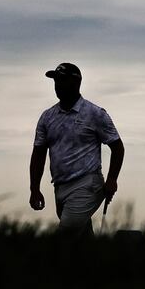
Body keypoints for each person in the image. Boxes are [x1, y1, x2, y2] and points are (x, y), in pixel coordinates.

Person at [29, 63, 125, 235]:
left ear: (76, 83)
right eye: (56, 81)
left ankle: (45, 261)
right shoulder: (47, 117)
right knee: (80, 240)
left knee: (67, 232)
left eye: (62, 81)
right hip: (60, 186)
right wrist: (34, 189)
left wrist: (112, 179)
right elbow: (38, 154)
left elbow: (117, 147)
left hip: (88, 184)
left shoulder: (95, 114)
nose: (57, 85)